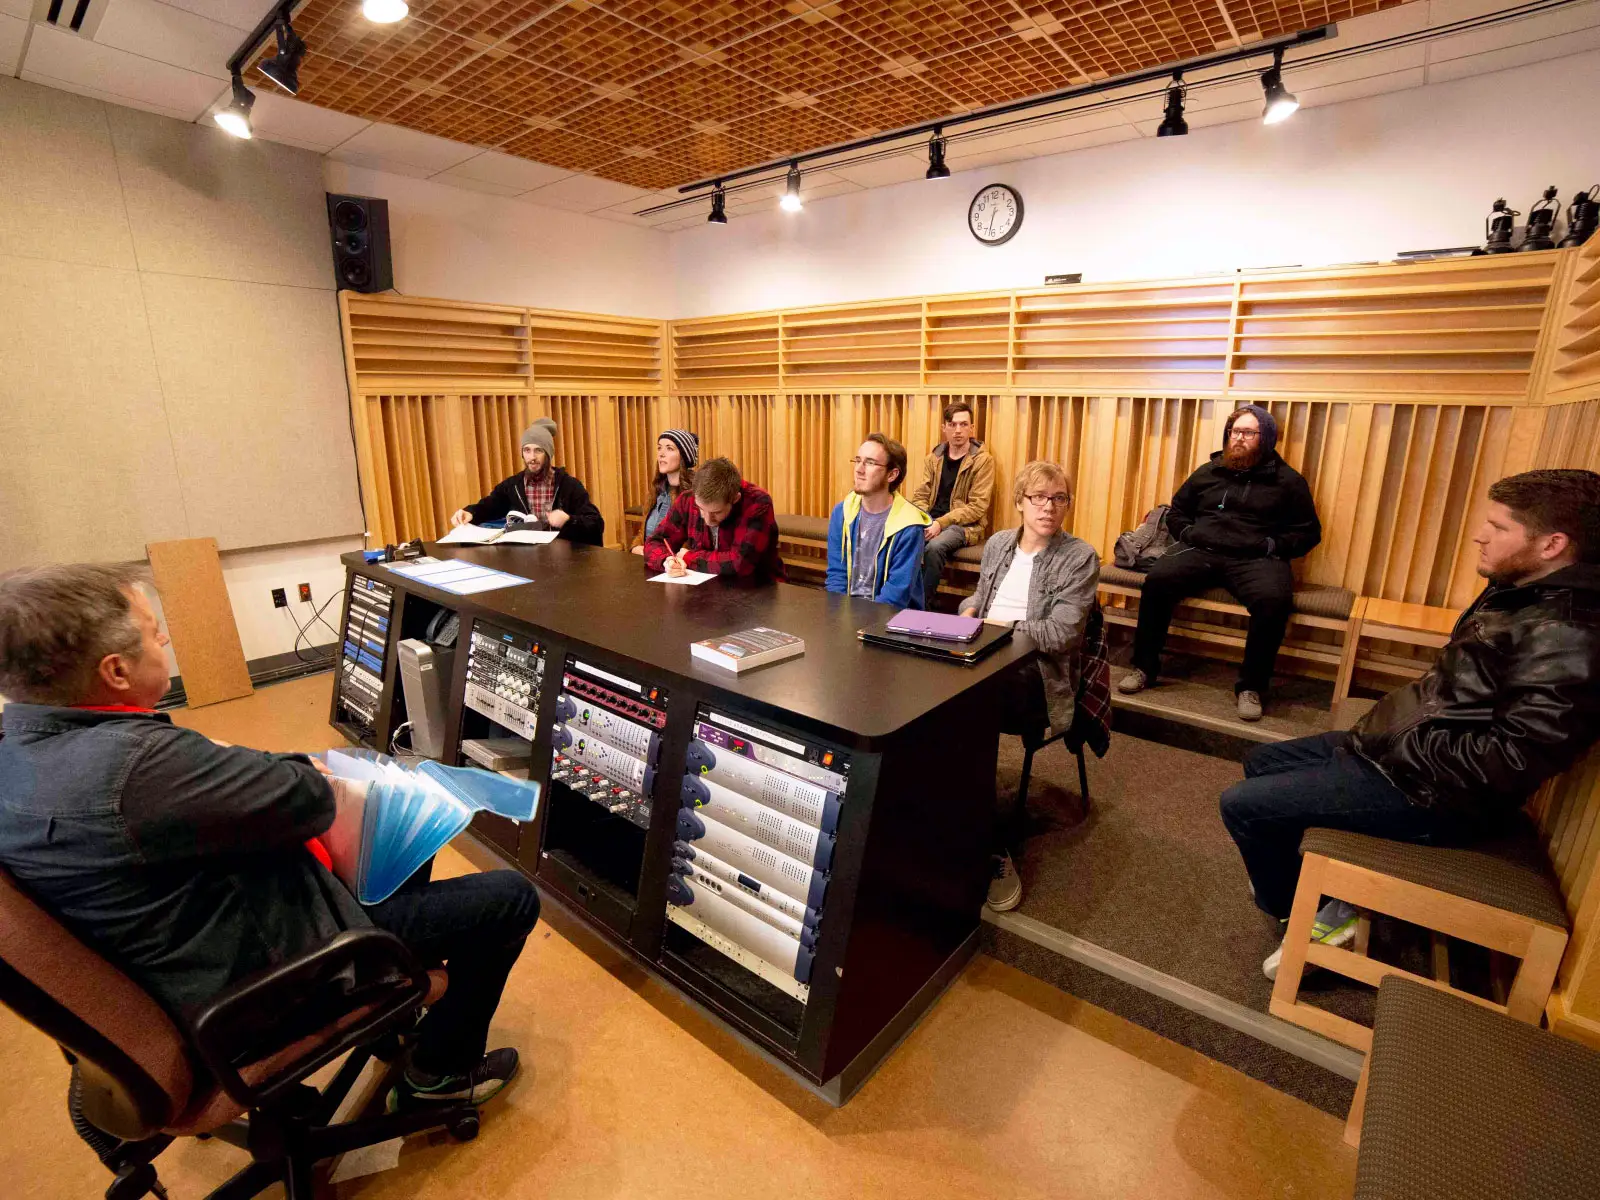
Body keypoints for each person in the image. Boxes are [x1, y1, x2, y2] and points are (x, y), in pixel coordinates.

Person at [0, 563, 539, 1111]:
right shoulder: (137, 767)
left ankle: (392, 1019)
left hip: (180, 966)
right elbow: (309, 797)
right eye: (151, 630)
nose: (164, 637)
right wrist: (240, 764)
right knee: (510, 899)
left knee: (398, 844)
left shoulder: (16, 752)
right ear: (115, 671)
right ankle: (439, 1074)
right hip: (263, 984)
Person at [1220, 469, 1600, 980]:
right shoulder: (1521, 588)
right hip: (1405, 749)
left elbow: (1516, 758)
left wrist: (1401, 746)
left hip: (1437, 792)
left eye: (1498, 526)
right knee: (1260, 761)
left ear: (1553, 544)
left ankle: (1308, 914)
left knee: (1242, 806)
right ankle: (1316, 883)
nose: (1480, 535)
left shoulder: (1570, 631)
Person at [1117, 404, 1320, 722]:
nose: (1239, 438)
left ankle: (1252, 687)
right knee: (1157, 582)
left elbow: (1308, 532)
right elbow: (1177, 510)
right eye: (1235, 432)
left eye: (1248, 432)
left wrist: (1270, 545)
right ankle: (1144, 667)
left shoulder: (1288, 482)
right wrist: (1187, 532)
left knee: (1274, 601)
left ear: (1265, 438)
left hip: (1254, 558)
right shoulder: (1208, 471)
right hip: (1201, 549)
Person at [960, 461, 1102, 913]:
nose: (1049, 507)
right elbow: (979, 601)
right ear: (1020, 502)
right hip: (982, 654)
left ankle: (989, 846)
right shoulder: (999, 544)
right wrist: (968, 612)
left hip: (1038, 678)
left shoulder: (1078, 556)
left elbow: (1061, 635)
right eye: (1038, 497)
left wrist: (998, 626)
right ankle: (942, 813)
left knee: (965, 709)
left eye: (1059, 498)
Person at [449, 416, 604, 546]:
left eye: (538, 450)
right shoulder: (513, 485)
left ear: (548, 454)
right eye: (527, 450)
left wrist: (569, 520)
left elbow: (596, 523)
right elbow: (490, 505)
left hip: (563, 559)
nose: (532, 457)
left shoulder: (569, 485)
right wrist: (470, 512)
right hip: (526, 558)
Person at [642, 456, 785, 585]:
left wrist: (688, 557)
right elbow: (655, 542)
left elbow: (740, 563)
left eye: (716, 512)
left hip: (758, 590)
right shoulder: (688, 498)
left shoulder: (757, 502)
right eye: (701, 509)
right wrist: (666, 561)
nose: (708, 520)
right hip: (706, 589)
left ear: (735, 499)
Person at [825, 434, 930, 609]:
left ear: (892, 475)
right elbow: (836, 576)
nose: (859, 469)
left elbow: (896, 594)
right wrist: (839, 619)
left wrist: (861, 626)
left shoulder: (909, 525)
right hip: (847, 615)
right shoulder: (842, 513)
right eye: (858, 460)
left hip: (889, 620)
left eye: (870, 463)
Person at [910, 401, 995, 606]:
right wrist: (923, 519)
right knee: (904, 538)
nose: (958, 430)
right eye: (953, 424)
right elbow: (921, 494)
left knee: (935, 547)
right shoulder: (933, 458)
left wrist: (941, 523)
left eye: (964, 424)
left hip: (963, 526)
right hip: (931, 520)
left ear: (972, 428)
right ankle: (897, 600)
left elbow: (977, 507)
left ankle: (921, 605)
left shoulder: (983, 461)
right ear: (944, 428)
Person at [633, 429, 698, 556]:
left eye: (669, 448)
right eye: (659, 448)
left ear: (683, 456)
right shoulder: (656, 490)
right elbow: (645, 532)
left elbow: (691, 542)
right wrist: (636, 546)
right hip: (649, 560)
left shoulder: (693, 495)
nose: (661, 454)